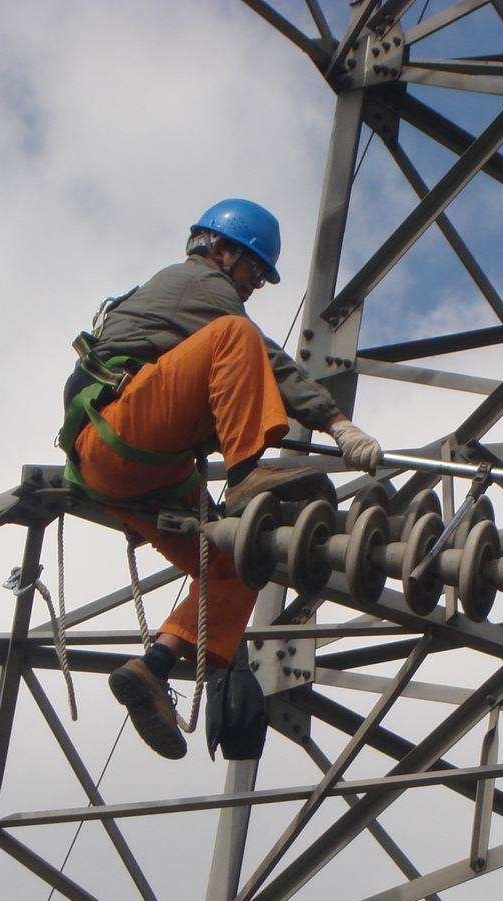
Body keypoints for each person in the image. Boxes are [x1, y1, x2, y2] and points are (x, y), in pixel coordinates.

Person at [61, 197, 382, 759]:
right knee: (237, 336)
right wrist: (336, 422)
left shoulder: (191, 303)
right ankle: (245, 475)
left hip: (139, 472)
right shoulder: (197, 285)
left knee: (239, 564)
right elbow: (267, 358)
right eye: (253, 269)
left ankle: (155, 666)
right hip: (118, 431)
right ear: (219, 249)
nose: (255, 283)